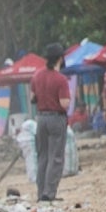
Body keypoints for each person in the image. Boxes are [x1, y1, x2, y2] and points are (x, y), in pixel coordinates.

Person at [26, 51, 70, 202]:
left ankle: (40, 192)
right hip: (56, 118)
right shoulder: (61, 79)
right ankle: (49, 193)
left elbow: (32, 98)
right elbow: (64, 103)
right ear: (60, 59)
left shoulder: (37, 76)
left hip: (41, 118)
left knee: (42, 156)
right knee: (56, 157)